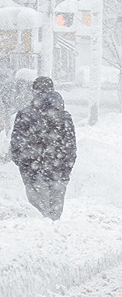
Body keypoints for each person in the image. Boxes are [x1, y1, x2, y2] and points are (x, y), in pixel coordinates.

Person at [9, 75, 76, 220]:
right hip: (59, 173)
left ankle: (43, 235)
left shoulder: (24, 115)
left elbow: (16, 145)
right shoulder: (64, 116)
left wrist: (24, 164)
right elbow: (71, 147)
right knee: (54, 215)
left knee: (38, 216)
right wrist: (65, 167)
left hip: (33, 171)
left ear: (34, 91)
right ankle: (54, 236)